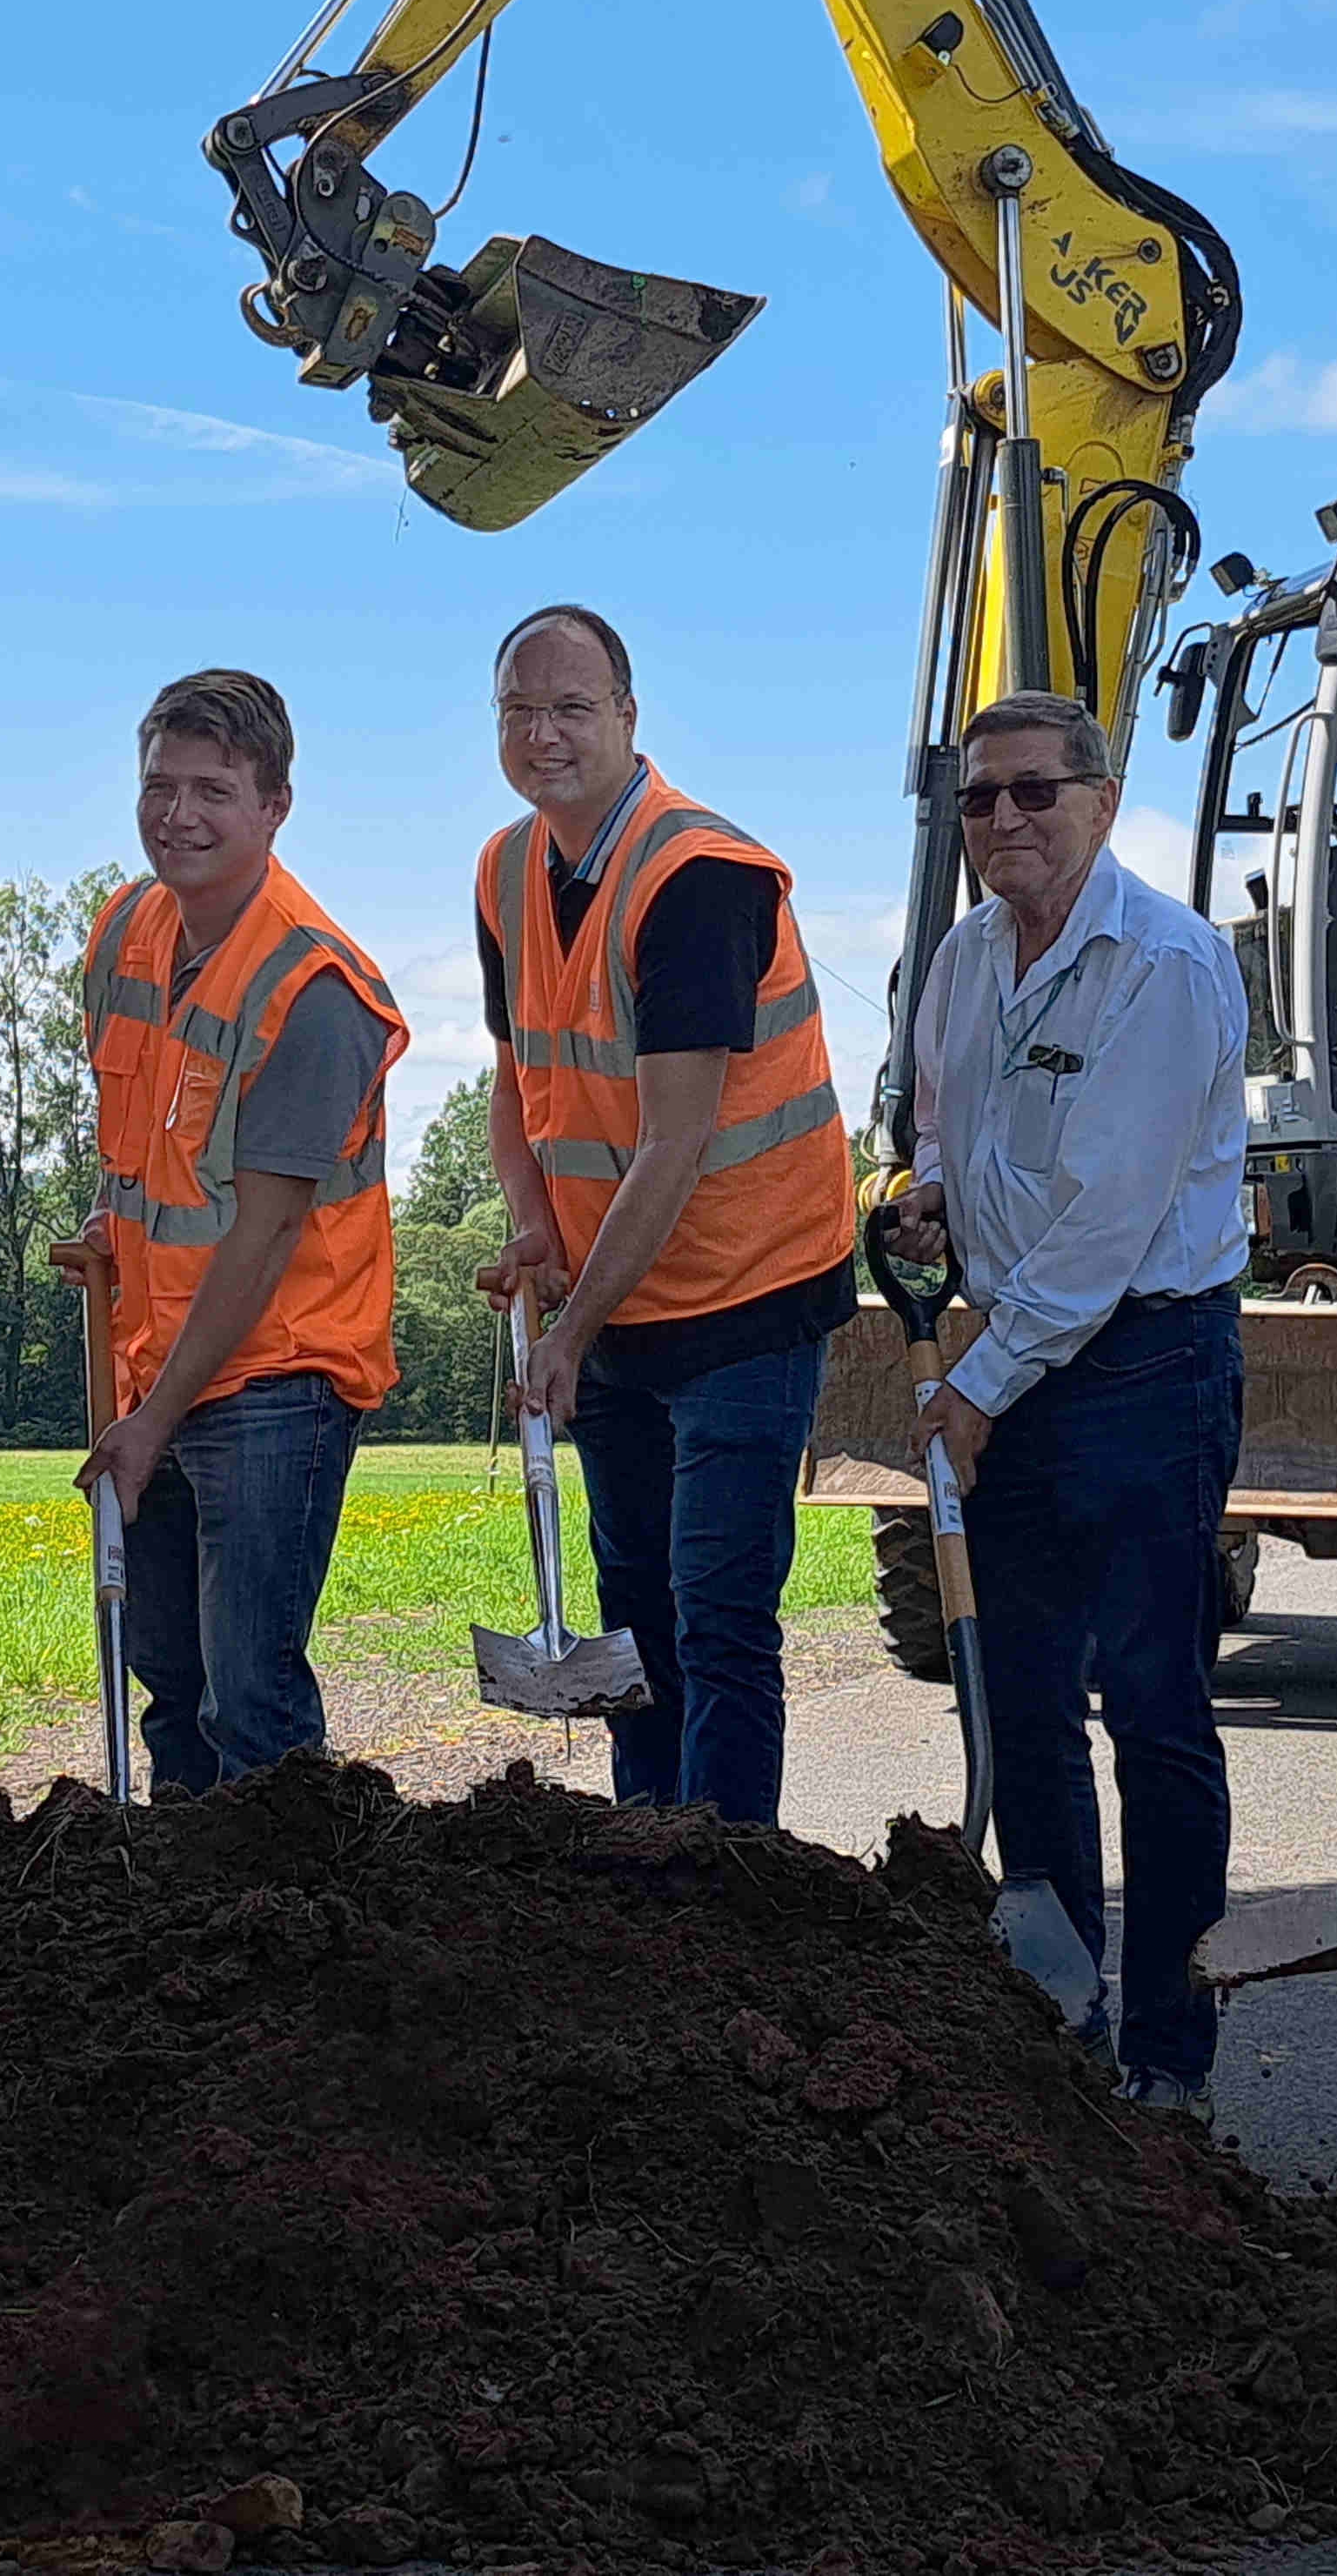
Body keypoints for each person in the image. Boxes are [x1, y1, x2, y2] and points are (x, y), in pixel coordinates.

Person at [886, 692, 1248, 2118]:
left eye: (1036, 791)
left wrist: (975, 1386)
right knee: (1019, 1702)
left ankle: (1169, 2046)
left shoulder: (1166, 963)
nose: (1005, 820)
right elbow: (943, 1123)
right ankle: (1055, 2015)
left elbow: (1107, 1219)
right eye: (979, 798)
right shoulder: (964, 958)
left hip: (1148, 1363)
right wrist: (928, 1197)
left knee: (1156, 1708)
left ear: (1100, 801)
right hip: (1016, 1358)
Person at [472, 602, 857, 1826]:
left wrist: (572, 1329)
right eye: (520, 710)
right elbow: (517, 1078)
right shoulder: (504, 871)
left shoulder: (698, 877)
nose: (544, 734)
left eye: (571, 708)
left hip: (748, 1292)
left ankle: (726, 1881)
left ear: (629, 717)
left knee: (718, 1613)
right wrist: (537, 1224)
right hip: (617, 1296)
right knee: (634, 1605)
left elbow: (675, 1139)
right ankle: (644, 1862)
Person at [60, 670, 408, 1793]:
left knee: (249, 1691)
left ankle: (285, 1895)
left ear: (275, 807)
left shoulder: (315, 990)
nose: (179, 815)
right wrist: (110, 1223)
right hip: (158, 1360)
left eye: (214, 790)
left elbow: (262, 1235)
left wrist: (153, 1420)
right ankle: (176, 1888)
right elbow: (141, 1135)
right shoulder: (127, 932)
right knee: (168, 1675)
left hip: (277, 1375)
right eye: (160, 786)